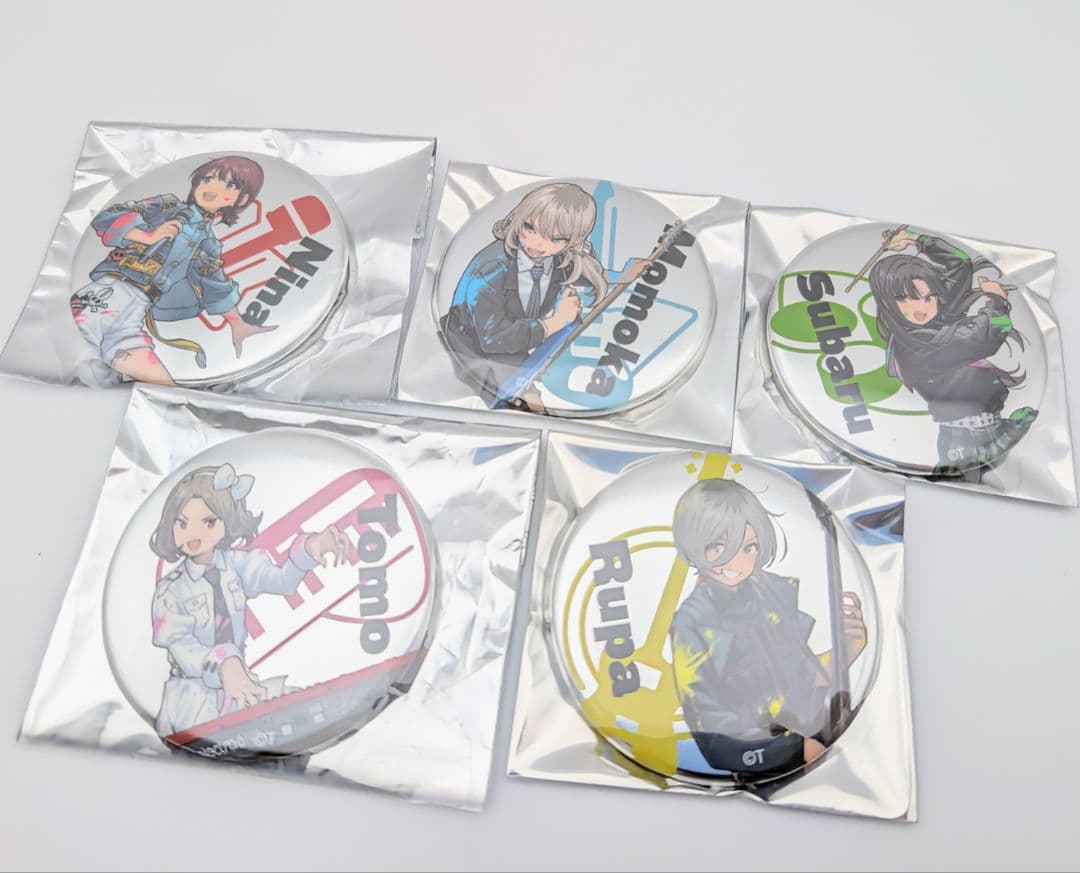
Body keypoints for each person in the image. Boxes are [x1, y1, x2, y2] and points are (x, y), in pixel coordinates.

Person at [669, 479, 866, 778]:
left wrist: (844, 653)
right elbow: (712, 734)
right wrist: (793, 751)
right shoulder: (692, 623)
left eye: (748, 547)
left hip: (825, 742)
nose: (737, 562)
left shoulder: (771, 594)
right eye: (718, 546)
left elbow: (799, 678)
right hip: (763, 770)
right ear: (694, 544)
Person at [149, 463, 349, 737]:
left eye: (208, 522)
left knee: (300, 708)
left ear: (226, 522)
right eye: (182, 523)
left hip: (240, 684)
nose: (193, 534)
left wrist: (310, 549)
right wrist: (224, 663)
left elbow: (282, 581)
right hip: (192, 697)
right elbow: (182, 649)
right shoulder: (171, 590)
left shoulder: (237, 564)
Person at [70, 156, 276, 386]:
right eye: (208, 179)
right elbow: (109, 215)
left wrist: (238, 324)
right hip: (107, 296)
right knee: (68, 358)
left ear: (241, 198)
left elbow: (215, 285)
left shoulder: (208, 243)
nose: (213, 188)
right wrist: (147, 236)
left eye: (229, 185)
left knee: (168, 391)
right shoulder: (167, 207)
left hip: (135, 315)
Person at [440, 182, 643, 410]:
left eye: (556, 239)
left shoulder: (558, 258)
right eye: (530, 228)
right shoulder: (491, 270)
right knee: (528, 407)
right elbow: (493, 338)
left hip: (515, 344)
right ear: (519, 217)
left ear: (575, 240)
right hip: (470, 348)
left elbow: (580, 272)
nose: (537, 244)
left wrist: (622, 276)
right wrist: (556, 322)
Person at [869, 228, 1037, 477]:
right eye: (905, 299)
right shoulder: (916, 344)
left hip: (992, 427)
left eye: (929, 297)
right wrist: (998, 302)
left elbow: (959, 264)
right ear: (887, 301)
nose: (921, 308)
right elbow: (985, 336)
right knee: (963, 491)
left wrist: (915, 240)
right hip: (962, 440)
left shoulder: (932, 316)